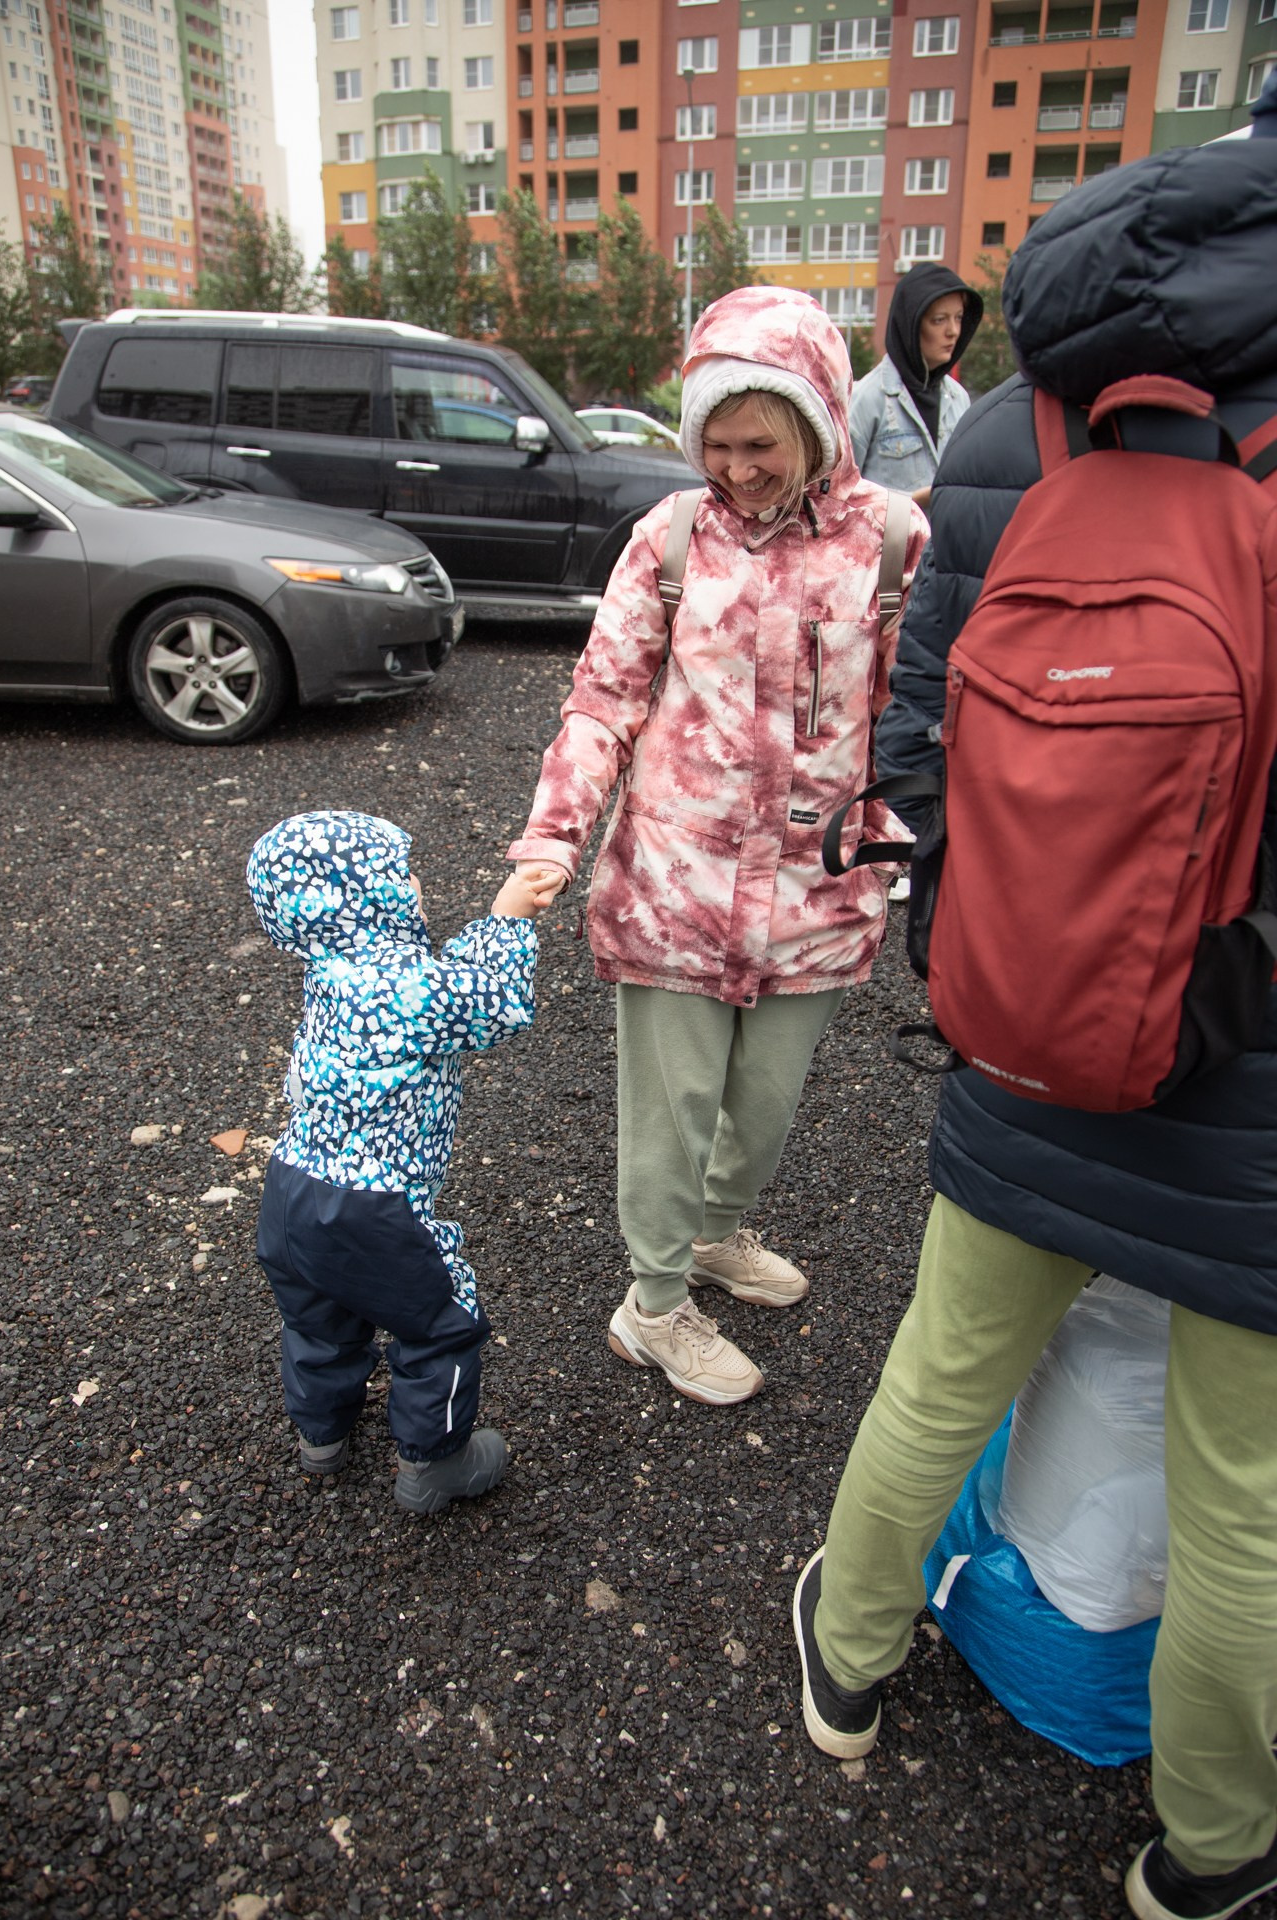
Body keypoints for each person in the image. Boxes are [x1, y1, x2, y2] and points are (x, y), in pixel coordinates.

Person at [792, 134, 1277, 1920]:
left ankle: (848, 1667)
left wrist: (975, 944)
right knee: (1242, 1494)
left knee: (939, 1372)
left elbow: (910, 730)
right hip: (1254, 1086)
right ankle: (1211, 1850)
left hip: (1019, 1024)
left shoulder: (1013, 426)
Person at [508, 286, 929, 1407]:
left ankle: (714, 1234)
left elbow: (917, 719)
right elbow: (603, 698)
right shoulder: (670, 536)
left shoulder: (891, 539)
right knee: (673, 1108)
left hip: (813, 889)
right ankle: (651, 1306)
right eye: (716, 444)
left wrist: (907, 848)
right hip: (671, 886)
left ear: (820, 423)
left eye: (760, 443)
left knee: (764, 1105)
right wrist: (553, 835)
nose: (736, 468)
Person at [246, 811, 558, 1515]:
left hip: (290, 1191)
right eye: (399, 875)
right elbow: (496, 1002)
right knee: (441, 1323)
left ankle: (321, 1438)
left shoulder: (328, 971)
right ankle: (436, 1461)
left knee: (319, 1321)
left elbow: (418, 984)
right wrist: (505, 918)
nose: (415, 881)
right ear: (370, 900)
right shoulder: (407, 987)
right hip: (375, 1208)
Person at [849, 264, 983, 508]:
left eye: (959, 318)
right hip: (889, 545)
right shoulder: (866, 399)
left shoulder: (959, 399)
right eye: (939, 320)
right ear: (911, 324)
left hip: (945, 544)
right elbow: (840, 498)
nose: (953, 331)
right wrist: (911, 504)